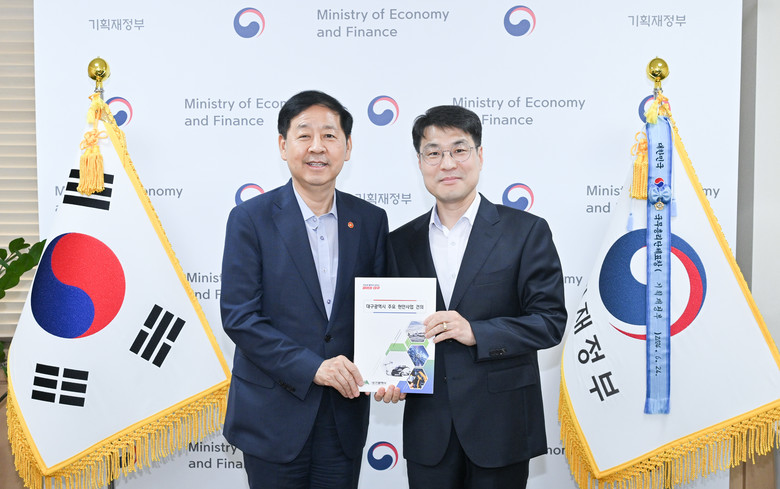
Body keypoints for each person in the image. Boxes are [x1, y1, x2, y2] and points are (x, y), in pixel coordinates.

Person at [377, 105, 567, 489]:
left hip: (501, 426)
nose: (447, 163)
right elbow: (393, 329)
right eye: (434, 152)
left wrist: (476, 332)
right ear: (420, 162)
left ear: (480, 155)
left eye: (459, 149)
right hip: (429, 430)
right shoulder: (398, 242)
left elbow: (550, 322)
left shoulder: (525, 232)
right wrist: (390, 373)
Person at [221, 90, 388, 489]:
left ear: (348, 147)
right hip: (272, 415)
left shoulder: (370, 220)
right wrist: (312, 367)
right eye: (304, 135)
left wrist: (393, 369)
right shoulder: (250, 219)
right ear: (283, 146)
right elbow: (240, 318)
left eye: (329, 135)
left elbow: (381, 311)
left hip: (343, 416)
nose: (317, 147)